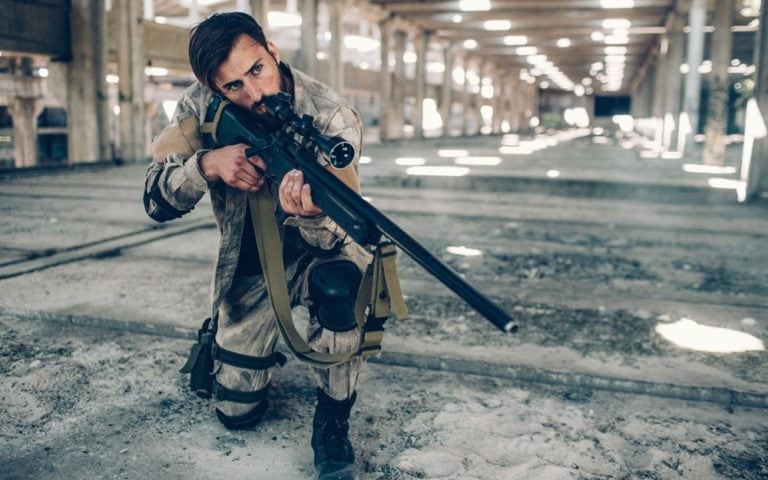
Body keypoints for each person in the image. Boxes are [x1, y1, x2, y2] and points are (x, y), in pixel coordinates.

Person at [143, 12, 370, 480]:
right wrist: (206, 165)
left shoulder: (330, 116)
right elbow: (155, 200)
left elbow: (343, 233)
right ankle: (232, 340)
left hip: (319, 255)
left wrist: (310, 214)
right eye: (233, 87)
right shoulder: (198, 107)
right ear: (212, 87)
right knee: (236, 414)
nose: (254, 95)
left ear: (272, 49)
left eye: (257, 70)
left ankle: (332, 420)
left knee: (340, 289)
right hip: (249, 264)